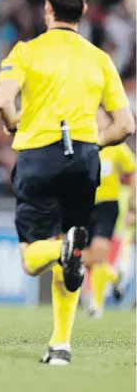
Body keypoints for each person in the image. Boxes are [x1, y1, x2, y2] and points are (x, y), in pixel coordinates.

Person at [0, 0, 135, 365]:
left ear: (47, 9)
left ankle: (61, 251)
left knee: (34, 256)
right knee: (72, 246)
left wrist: (11, 124)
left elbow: (2, 100)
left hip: (39, 157)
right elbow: (126, 125)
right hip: (84, 162)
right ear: (84, 10)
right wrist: (93, 143)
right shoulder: (100, 59)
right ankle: (60, 346)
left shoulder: (26, 52)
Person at [84, 107, 136, 318]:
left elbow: (132, 173)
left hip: (107, 206)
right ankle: (114, 278)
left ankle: (97, 305)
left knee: (97, 253)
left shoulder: (116, 148)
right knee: (89, 261)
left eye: (100, 116)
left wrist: (133, 206)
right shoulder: (83, 146)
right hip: (84, 206)